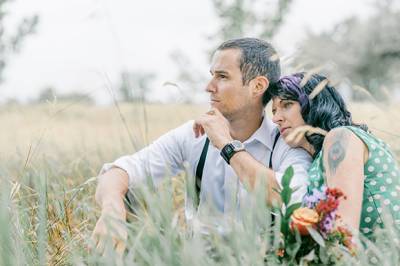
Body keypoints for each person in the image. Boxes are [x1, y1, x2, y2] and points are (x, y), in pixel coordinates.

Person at [92, 38, 312, 252]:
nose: (209, 87)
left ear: (258, 85)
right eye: (211, 76)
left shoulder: (286, 143)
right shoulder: (194, 135)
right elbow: (118, 171)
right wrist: (112, 211)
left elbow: (290, 199)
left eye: (222, 77)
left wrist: (227, 145)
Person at [268, 72, 400, 239]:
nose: (275, 118)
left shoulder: (341, 137)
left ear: (313, 103)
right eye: (273, 110)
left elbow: (342, 230)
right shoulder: (318, 158)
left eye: (286, 105)